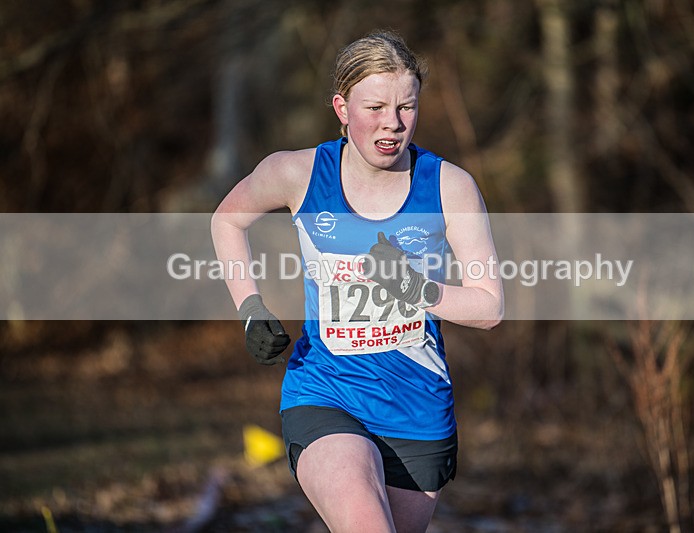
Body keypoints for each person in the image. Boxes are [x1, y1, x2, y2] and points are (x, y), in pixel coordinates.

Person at [211, 30, 503, 533]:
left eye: (406, 107)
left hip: (417, 407)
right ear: (342, 108)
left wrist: (417, 288)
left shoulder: (449, 186)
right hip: (326, 391)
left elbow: (490, 306)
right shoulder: (297, 173)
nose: (392, 124)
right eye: (376, 107)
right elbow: (227, 220)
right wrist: (250, 307)